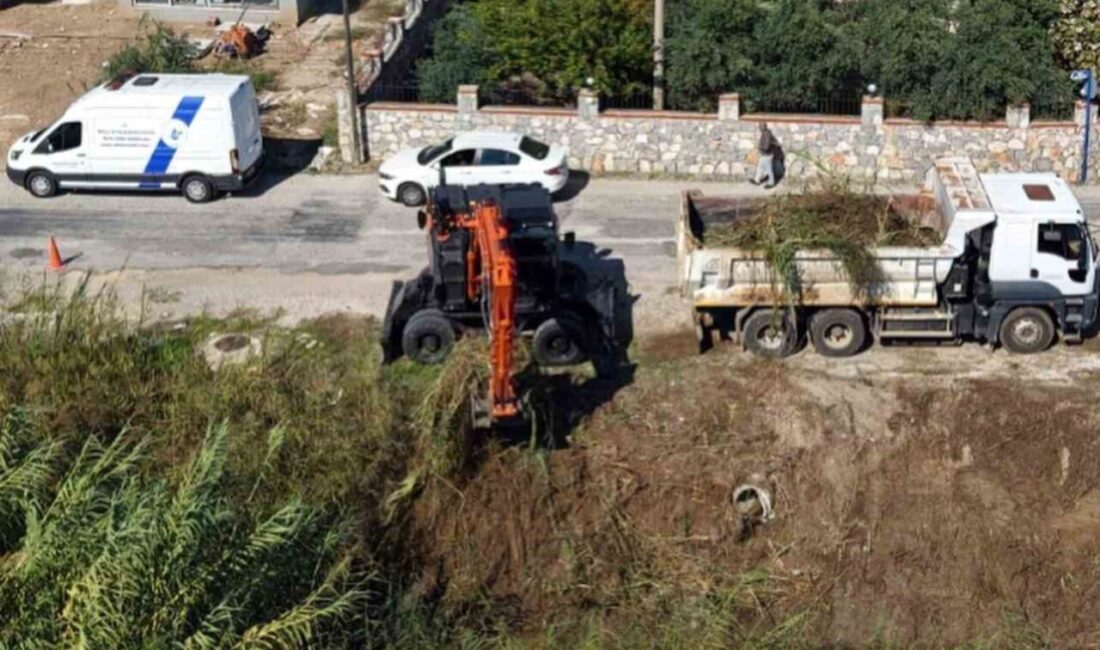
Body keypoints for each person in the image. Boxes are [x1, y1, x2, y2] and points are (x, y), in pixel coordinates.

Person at [749, 122, 779, 189]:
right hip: (764, 154)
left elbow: (766, 145)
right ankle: (757, 180)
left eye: (760, 126)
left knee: (768, 169)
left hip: (767, 154)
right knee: (760, 167)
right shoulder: (765, 133)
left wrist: (761, 148)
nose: (759, 128)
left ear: (763, 127)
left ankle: (771, 183)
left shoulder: (766, 134)